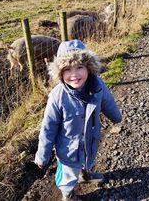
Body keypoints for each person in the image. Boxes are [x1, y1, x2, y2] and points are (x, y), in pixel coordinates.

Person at [34, 39, 122, 201]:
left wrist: (116, 117)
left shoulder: (98, 86)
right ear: (60, 73)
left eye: (80, 67)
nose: (74, 74)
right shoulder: (57, 97)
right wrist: (42, 156)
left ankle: (85, 174)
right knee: (68, 176)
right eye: (67, 69)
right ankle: (68, 195)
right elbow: (48, 128)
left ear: (89, 68)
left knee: (88, 160)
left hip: (90, 140)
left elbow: (107, 101)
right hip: (68, 149)